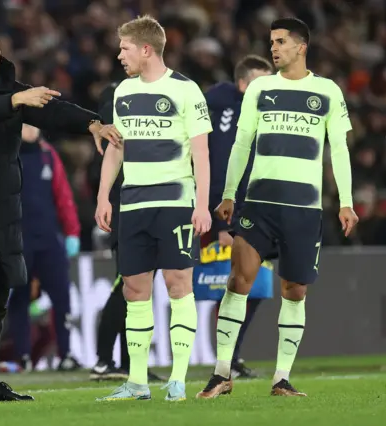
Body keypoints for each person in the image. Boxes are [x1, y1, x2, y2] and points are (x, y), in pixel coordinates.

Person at [0, 27, 107, 403]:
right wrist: (16, 100)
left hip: (4, 214)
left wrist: (91, 122)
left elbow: (51, 107)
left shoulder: (9, 89)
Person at [196, 18, 358, 399]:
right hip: (259, 205)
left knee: (295, 290)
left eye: (281, 42)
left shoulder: (327, 91)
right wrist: (229, 193)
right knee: (238, 280)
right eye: (271, 41)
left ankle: (281, 378)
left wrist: (347, 202)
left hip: (303, 209)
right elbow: (240, 143)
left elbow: (340, 150)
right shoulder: (260, 89)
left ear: (301, 47)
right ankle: (222, 374)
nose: (274, 48)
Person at [95, 15, 213, 402]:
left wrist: (202, 205)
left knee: (178, 285)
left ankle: (177, 379)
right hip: (133, 204)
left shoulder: (185, 90)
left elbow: (201, 152)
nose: (119, 54)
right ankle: (138, 381)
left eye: (125, 48)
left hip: (175, 204)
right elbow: (116, 147)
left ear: (146, 49)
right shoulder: (122, 92)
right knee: (133, 289)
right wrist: (103, 196)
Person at [192, 55, 274, 379]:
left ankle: (231, 356)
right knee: (226, 285)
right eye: (260, 82)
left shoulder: (260, 112)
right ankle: (223, 360)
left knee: (252, 286)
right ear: (243, 84)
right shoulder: (228, 109)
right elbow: (220, 164)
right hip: (224, 213)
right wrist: (224, 223)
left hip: (255, 210)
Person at [88, 82, 165, 383]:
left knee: (134, 289)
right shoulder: (117, 125)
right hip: (128, 210)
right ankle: (105, 361)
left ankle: (125, 362)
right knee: (128, 286)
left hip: (137, 208)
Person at [7, 124, 81, 372]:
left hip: (49, 238)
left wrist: (72, 232)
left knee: (62, 297)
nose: (33, 129)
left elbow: (63, 195)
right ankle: (24, 356)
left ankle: (66, 353)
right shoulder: (8, 154)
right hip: (19, 239)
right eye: (28, 124)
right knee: (19, 298)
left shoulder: (48, 154)